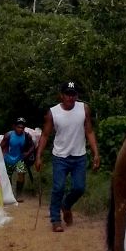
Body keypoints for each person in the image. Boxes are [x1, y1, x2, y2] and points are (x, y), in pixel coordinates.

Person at [35, 80, 100, 232]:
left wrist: (96, 153)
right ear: (61, 95)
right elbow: (45, 135)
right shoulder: (53, 112)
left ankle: (66, 205)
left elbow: (89, 131)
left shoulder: (84, 109)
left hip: (79, 155)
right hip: (60, 156)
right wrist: (38, 156)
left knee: (79, 188)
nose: (70, 97)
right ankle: (55, 219)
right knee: (58, 188)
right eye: (67, 94)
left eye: (73, 94)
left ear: (77, 95)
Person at [0, 117, 36, 202]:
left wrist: (27, 153)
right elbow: (1, 146)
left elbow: (32, 146)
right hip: (8, 159)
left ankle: (19, 194)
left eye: (22, 128)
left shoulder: (27, 136)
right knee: (8, 177)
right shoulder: (8, 135)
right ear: (14, 126)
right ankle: (9, 194)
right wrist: (2, 155)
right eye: (18, 127)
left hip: (20, 159)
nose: (20, 129)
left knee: (21, 175)